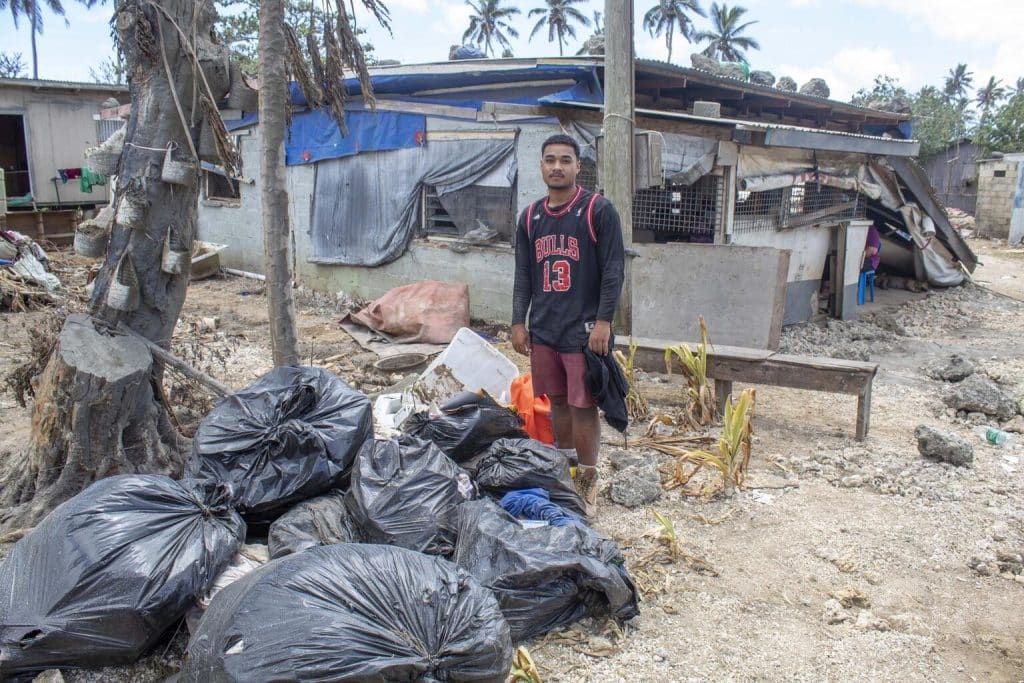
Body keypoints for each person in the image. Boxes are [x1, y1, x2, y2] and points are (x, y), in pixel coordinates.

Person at [511, 134, 625, 517]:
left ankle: (588, 480)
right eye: (549, 160)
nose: (556, 166)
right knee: (556, 402)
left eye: (565, 160)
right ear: (541, 166)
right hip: (545, 328)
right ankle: (565, 471)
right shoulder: (530, 217)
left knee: (583, 405)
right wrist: (517, 321)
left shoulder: (597, 210)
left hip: (583, 329)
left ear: (578, 166)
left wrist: (605, 321)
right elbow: (523, 274)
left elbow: (613, 271)